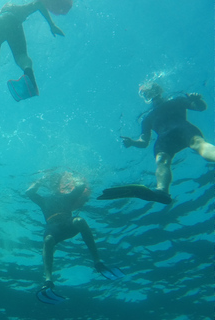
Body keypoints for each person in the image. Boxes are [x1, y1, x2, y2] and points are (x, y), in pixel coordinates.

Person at [99, 82, 215, 205]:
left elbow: (201, 107)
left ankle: (162, 190)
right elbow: (144, 142)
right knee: (162, 160)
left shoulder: (176, 101)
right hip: (166, 139)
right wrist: (132, 142)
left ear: (159, 90)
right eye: (146, 93)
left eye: (152, 91)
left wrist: (197, 100)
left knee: (198, 144)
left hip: (182, 129)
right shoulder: (147, 118)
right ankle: (162, 191)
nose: (150, 94)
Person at [26, 171, 124, 304]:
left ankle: (98, 261)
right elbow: (29, 192)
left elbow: (81, 186)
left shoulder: (68, 197)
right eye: (53, 183)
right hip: (53, 227)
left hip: (68, 223)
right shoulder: (44, 200)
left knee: (79, 221)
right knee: (48, 240)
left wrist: (73, 176)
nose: (55, 185)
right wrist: (41, 180)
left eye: (57, 183)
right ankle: (48, 280)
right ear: (49, 186)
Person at [0, 0, 72, 105]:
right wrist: (52, 25)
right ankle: (29, 76)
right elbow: (39, 3)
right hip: (11, 20)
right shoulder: (18, 9)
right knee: (22, 57)